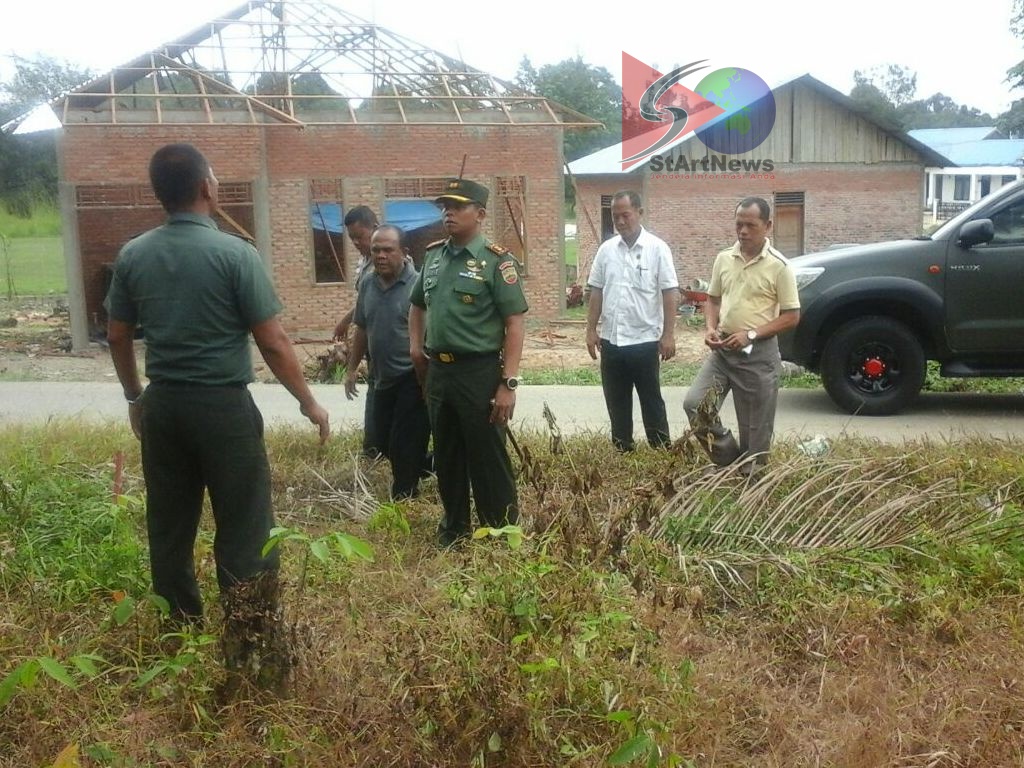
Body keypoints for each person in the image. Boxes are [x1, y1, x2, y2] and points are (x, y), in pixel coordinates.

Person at [104, 143, 330, 690]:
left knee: (169, 525)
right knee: (246, 527)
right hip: (223, 408)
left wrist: (135, 397)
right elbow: (272, 341)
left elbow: (116, 335)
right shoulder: (235, 254)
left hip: (164, 406)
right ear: (207, 187)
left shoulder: (133, 254)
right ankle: (251, 646)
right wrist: (308, 400)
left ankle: (179, 637)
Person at [408, 178, 528, 547]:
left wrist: (508, 383)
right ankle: (454, 530)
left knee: (487, 456)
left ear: (480, 214)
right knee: (446, 454)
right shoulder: (433, 257)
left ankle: (501, 532)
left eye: (458, 206)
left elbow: (514, 323)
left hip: (479, 372)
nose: (449, 213)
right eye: (445, 206)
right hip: (439, 372)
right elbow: (417, 305)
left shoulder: (496, 261)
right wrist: (415, 349)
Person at [683, 196, 801, 474]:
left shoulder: (779, 266)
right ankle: (728, 461)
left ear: (768, 226)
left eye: (750, 225)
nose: (743, 231)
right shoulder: (724, 258)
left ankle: (752, 480)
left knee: (755, 429)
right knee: (696, 405)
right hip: (723, 351)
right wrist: (710, 327)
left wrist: (751, 334)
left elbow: (792, 316)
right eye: (739, 224)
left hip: (758, 354)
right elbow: (712, 299)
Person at [585, 190, 679, 452]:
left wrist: (668, 335)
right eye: (615, 216)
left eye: (625, 215)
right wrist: (591, 329)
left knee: (651, 400)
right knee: (616, 401)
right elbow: (596, 291)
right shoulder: (606, 251)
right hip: (612, 340)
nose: (620, 221)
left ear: (640, 212)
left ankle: (661, 451)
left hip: (645, 340)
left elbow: (669, 293)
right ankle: (622, 449)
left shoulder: (657, 249)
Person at [344, 224, 430, 499]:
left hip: (412, 377)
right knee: (381, 443)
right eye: (376, 250)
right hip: (381, 377)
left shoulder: (419, 286)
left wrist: (428, 378)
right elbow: (362, 328)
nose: (380, 255)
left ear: (404, 252)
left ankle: (403, 498)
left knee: (404, 442)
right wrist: (351, 368)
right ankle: (430, 464)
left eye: (388, 250)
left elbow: (431, 336)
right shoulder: (367, 283)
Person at [332, 205, 381, 458]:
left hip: (389, 344)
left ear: (375, 228)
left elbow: (371, 304)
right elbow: (364, 305)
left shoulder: (390, 262)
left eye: (360, 236)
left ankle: (376, 449)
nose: (356, 243)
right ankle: (375, 449)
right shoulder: (365, 261)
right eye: (352, 238)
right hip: (371, 341)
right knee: (377, 393)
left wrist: (345, 320)